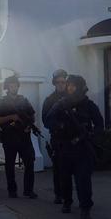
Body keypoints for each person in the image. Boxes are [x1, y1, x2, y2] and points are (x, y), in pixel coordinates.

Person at [45, 75, 104, 219]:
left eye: (74, 85)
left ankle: (85, 207)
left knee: (83, 180)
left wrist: (90, 135)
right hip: (64, 147)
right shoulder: (60, 104)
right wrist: (61, 126)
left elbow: (99, 124)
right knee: (64, 179)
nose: (70, 87)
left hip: (83, 148)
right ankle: (67, 202)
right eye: (69, 85)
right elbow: (48, 121)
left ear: (80, 87)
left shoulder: (89, 105)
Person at [0, 75, 38, 199]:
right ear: (7, 87)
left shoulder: (23, 100)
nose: (14, 88)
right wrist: (10, 117)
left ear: (18, 86)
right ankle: (12, 190)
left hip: (24, 137)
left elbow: (32, 116)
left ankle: (28, 190)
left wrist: (29, 125)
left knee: (30, 162)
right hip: (10, 137)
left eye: (15, 85)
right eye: (11, 85)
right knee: (10, 165)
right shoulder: (3, 102)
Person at [42, 69, 68, 204]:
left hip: (71, 139)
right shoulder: (49, 100)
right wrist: (59, 125)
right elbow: (45, 121)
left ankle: (67, 194)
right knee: (58, 168)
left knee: (70, 168)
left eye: (63, 82)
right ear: (54, 83)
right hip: (58, 138)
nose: (61, 84)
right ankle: (58, 194)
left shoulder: (72, 98)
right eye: (58, 82)